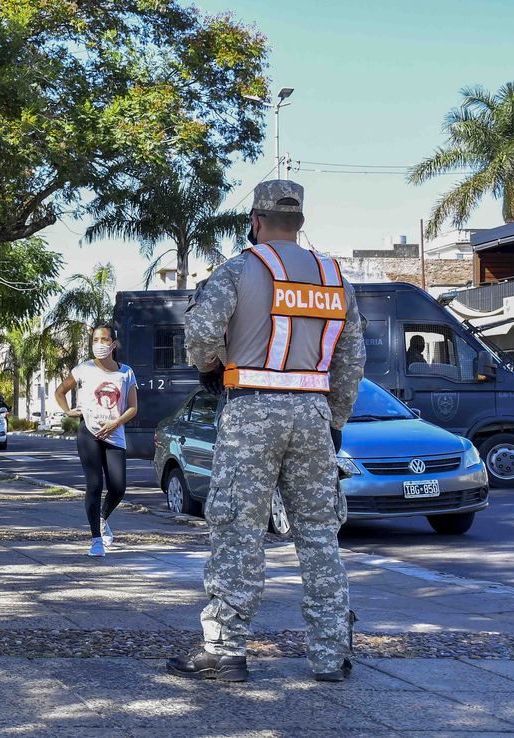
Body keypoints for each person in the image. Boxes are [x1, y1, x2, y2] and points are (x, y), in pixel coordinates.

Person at [166, 180, 365, 683]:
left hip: (252, 413)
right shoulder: (334, 276)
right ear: (300, 221)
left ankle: (226, 651)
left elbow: (201, 334)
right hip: (314, 416)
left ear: (255, 220)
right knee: (320, 537)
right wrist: (335, 420)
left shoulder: (239, 269)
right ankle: (330, 655)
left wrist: (210, 366)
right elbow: (351, 360)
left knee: (238, 532)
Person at [53, 326, 138, 557]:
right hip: (88, 434)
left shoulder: (126, 373)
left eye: (105, 339)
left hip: (115, 435)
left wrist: (116, 423)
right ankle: (96, 540)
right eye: (96, 339)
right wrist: (68, 411)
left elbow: (132, 407)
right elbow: (60, 391)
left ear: (113, 344)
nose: (100, 343)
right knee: (94, 485)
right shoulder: (83, 369)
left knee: (118, 488)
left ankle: (102, 517)